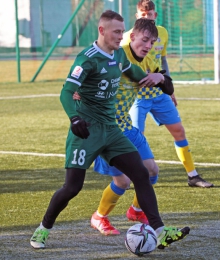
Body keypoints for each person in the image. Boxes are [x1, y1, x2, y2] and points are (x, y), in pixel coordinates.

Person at [30, 10, 190, 250]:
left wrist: (162, 80)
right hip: (87, 130)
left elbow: (138, 75)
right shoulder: (87, 58)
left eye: (122, 31)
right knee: (72, 187)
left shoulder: (119, 57)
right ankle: (42, 229)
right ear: (102, 31)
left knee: (142, 174)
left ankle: (160, 231)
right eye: (117, 31)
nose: (121, 36)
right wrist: (74, 118)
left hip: (113, 130)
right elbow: (66, 92)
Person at [73, 18, 174, 236]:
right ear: (132, 36)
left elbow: (167, 85)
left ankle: (137, 210)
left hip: (127, 127)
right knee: (123, 180)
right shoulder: (118, 54)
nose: (148, 46)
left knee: (152, 171)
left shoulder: (147, 60)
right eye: (144, 40)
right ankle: (99, 217)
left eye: (152, 42)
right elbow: (82, 78)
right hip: (106, 128)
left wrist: (160, 76)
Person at [121, 0, 214, 188]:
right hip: (137, 97)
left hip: (158, 93)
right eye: (143, 14)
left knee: (179, 130)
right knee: (137, 137)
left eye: (151, 14)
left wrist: (168, 86)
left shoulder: (162, 33)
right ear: (137, 17)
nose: (148, 17)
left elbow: (162, 60)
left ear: (155, 15)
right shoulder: (125, 40)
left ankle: (192, 176)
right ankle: (132, 177)